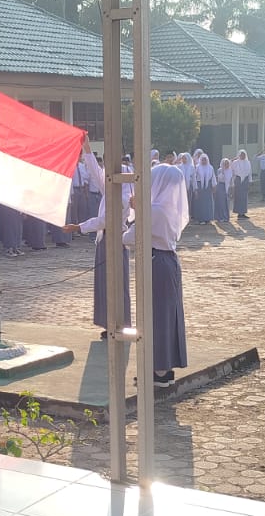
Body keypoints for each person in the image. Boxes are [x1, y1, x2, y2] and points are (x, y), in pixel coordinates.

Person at [125, 163, 188, 388]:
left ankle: (159, 371)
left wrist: (136, 212)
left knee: (157, 316)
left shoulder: (155, 209)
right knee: (166, 314)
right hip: (167, 262)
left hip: (156, 262)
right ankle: (163, 367)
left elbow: (129, 237)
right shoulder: (167, 207)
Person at [65, 139, 130, 341]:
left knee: (117, 284)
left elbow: (105, 220)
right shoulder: (111, 185)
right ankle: (108, 324)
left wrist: (79, 227)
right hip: (104, 241)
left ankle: (121, 323)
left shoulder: (125, 194)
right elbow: (96, 173)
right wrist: (88, 151)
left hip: (116, 241)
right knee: (104, 283)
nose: (105, 168)